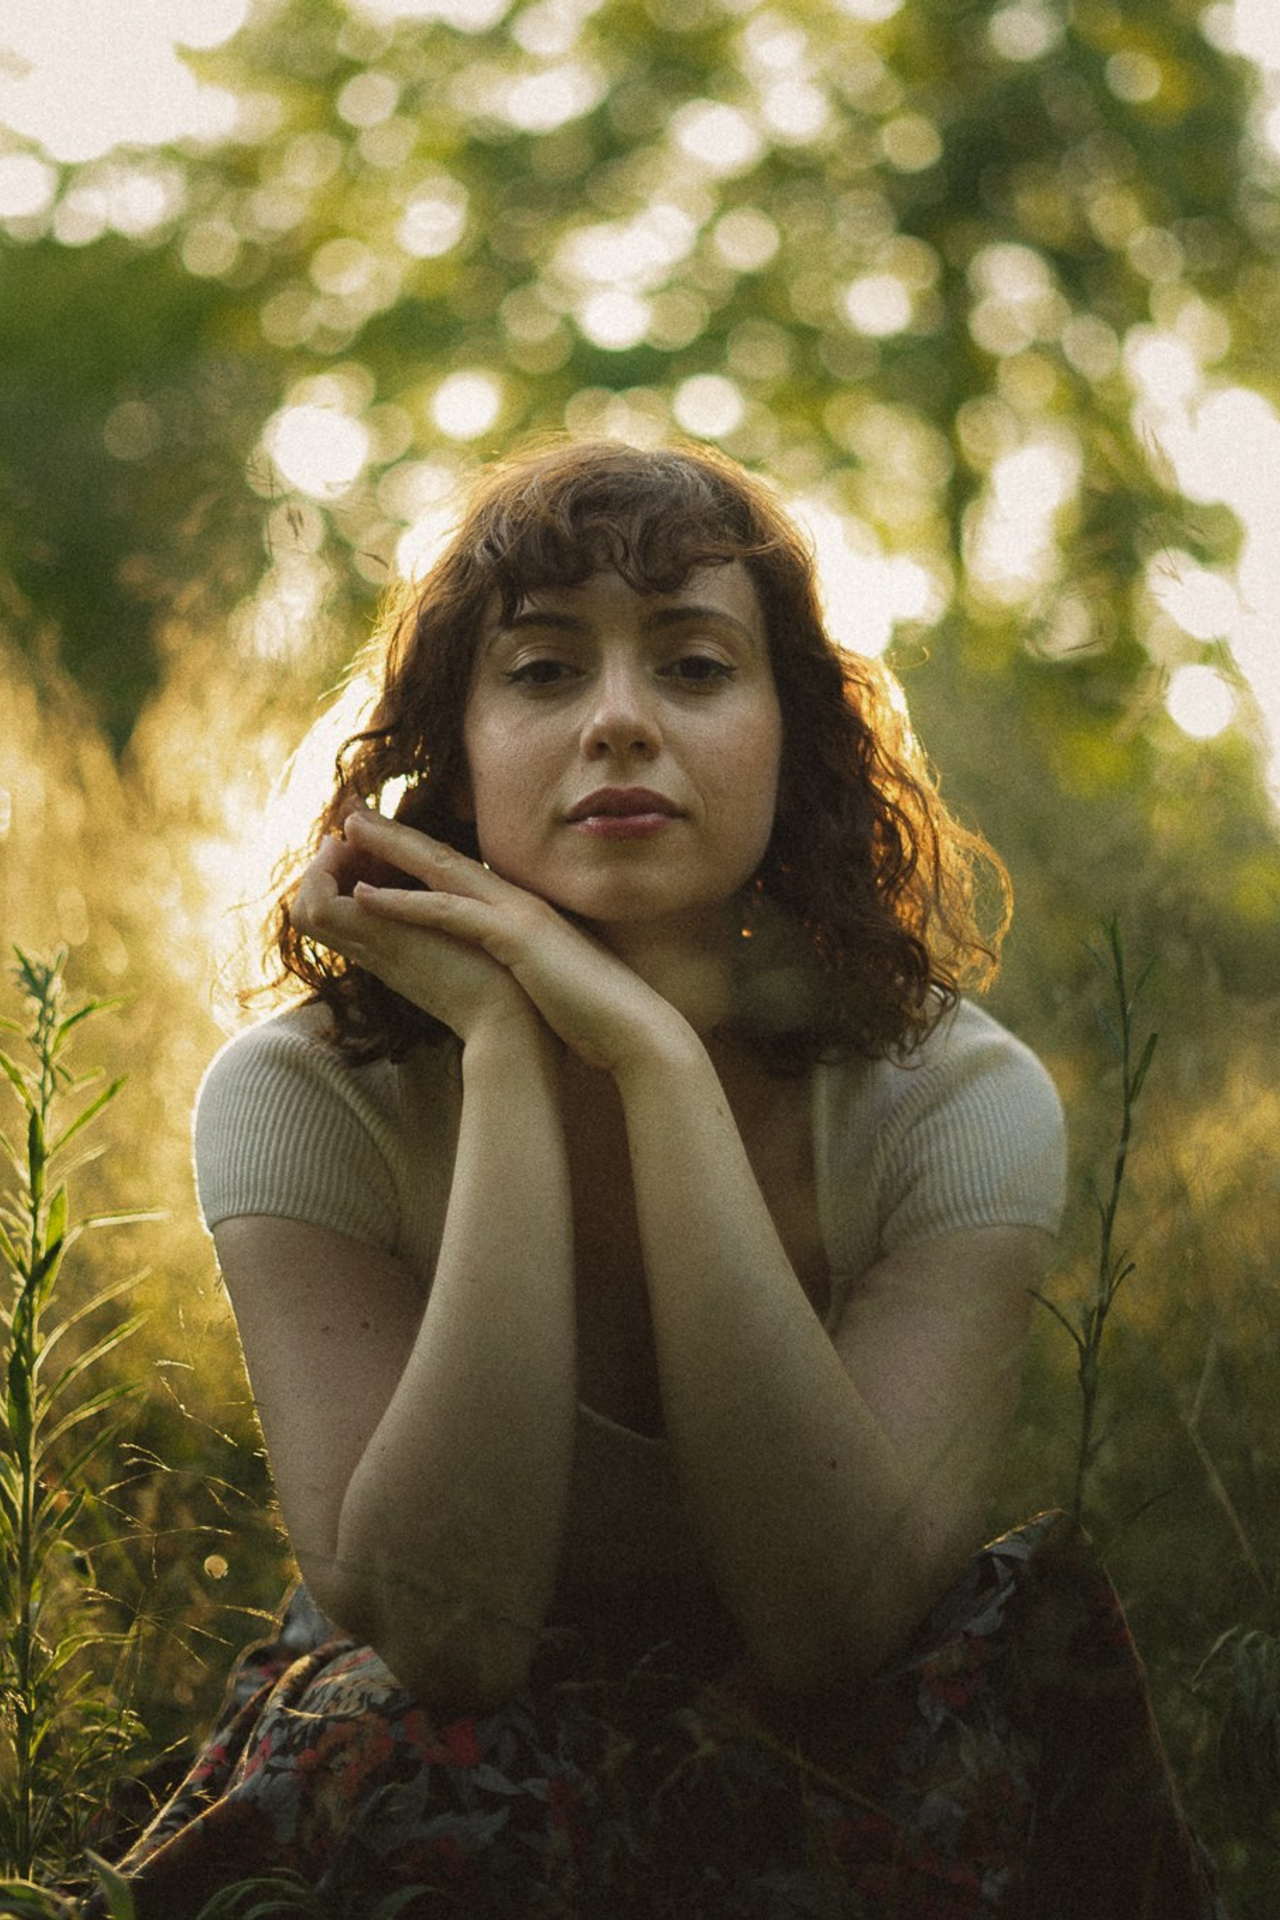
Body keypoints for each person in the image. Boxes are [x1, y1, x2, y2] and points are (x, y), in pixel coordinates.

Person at [99, 440, 1224, 1918]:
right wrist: (507, 1040)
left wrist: (651, 1062)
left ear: (791, 737)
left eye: (694, 668)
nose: (620, 722)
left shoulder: (952, 1102)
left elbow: (832, 1627)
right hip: (449, 1770)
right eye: (545, 672)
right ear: (453, 745)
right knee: (406, 1770)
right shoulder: (301, 1099)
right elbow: (455, 1642)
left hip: (845, 1754)